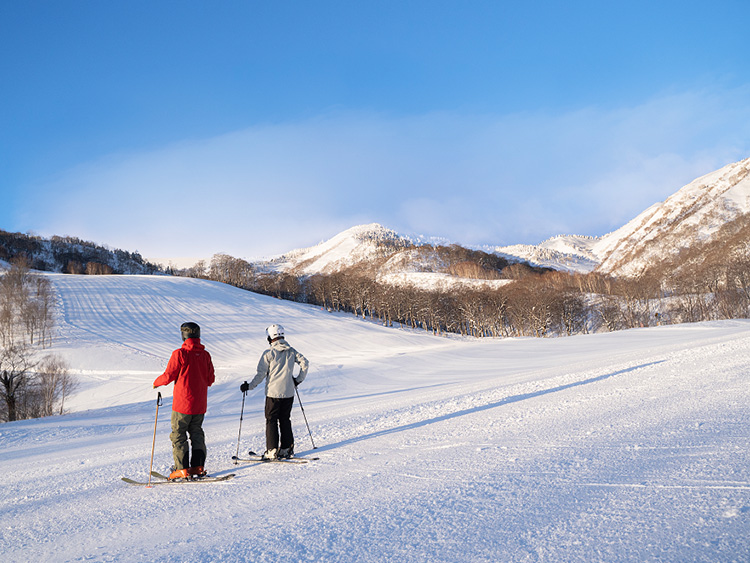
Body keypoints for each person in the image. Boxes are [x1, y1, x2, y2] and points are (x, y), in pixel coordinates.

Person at [153, 322, 215, 480]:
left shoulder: (180, 354)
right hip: (200, 405)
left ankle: (181, 469)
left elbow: (168, 376)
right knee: (197, 433)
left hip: (182, 404)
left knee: (179, 434)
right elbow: (210, 379)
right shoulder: (206, 355)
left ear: (183, 335)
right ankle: (198, 467)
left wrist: (156, 382)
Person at [241, 324, 309, 460]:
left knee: (271, 420)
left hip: (273, 393)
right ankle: (286, 449)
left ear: (270, 337)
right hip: (289, 392)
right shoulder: (291, 351)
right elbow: (305, 363)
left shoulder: (269, 353)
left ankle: (271, 451)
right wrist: (297, 380)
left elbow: (260, 374)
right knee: (285, 419)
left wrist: (249, 386)